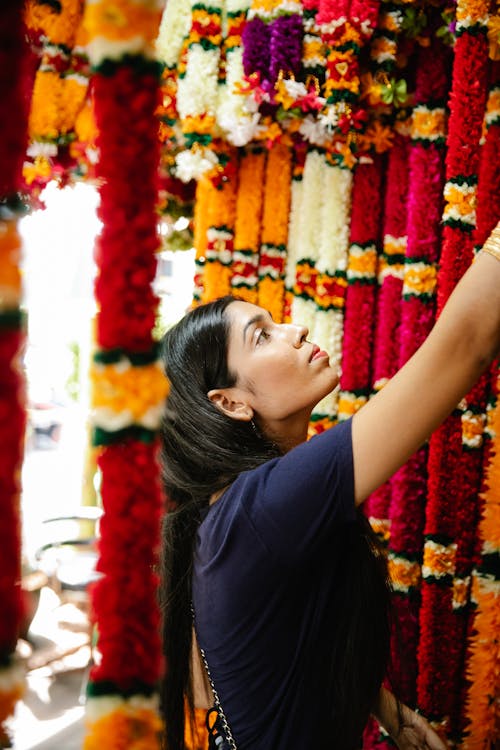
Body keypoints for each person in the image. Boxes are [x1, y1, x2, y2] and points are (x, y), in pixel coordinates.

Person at [159, 222, 500, 750]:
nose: (293, 329)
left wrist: (385, 707)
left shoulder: (235, 510)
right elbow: (465, 345)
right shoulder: (262, 507)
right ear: (229, 402)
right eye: (261, 335)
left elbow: (279, 635)